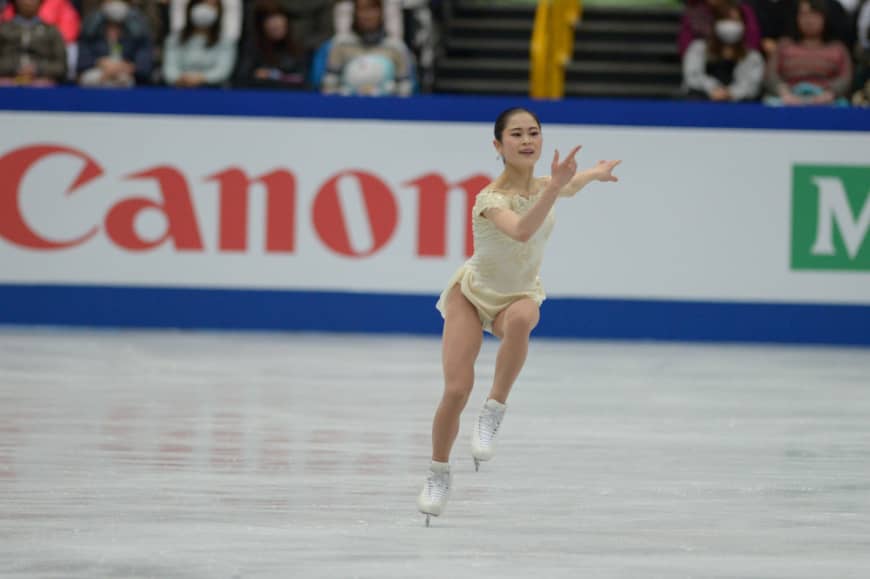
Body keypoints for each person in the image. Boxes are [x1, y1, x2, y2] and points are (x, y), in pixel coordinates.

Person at [416, 108, 622, 526]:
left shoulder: (550, 185)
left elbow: (572, 185)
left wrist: (596, 173)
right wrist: (558, 187)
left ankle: (494, 407)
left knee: (523, 317)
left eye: (534, 133)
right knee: (456, 391)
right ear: (498, 145)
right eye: (516, 134)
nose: (527, 140)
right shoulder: (489, 199)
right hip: (472, 296)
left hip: (519, 295)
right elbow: (523, 230)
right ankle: (438, 471)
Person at [764, 0, 853, 105]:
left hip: (828, 100)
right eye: (804, 15)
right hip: (788, 99)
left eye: (814, 14)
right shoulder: (784, 45)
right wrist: (783, 92)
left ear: (825, 17)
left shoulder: (838, 48)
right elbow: (770, 75)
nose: (809, 20)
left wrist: (830, 93)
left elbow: (846, 78)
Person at [321, 0, 413, 96]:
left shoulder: (396, 48)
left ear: (381, 12)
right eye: (362, 10)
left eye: (372, 9)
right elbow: (329, 89)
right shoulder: (340, 45)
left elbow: (405, 92)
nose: (367, 16)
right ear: (355, 13)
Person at [683, 1, 765, 101]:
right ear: (716, 22)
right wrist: (713, 89)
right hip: (704, 102)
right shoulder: (698, 48)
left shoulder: (752, 56)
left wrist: (731, 93)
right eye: (726, 19)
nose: (730, 25)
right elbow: (693, 76)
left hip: (738, 106)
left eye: (735, 20)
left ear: (743, 25)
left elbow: (752, 85)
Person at [161, 0, 235, 88]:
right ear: (191, 7)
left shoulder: (225, 40)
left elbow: (223, 71)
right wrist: (181, 79)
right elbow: (169, 70)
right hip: (179, 89)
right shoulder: (174, 39)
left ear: (219, 11)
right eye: (201, 4)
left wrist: (201, 78)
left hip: (213, 91)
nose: (204, 10)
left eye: (211, 6)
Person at [0, 0, 67, 85]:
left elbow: (61, 67)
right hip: (7, 80)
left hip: (42, 82)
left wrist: (38, 69)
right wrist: (15, 67)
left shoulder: (51, 31)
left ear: (40, 2)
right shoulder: (3, 30)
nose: (28, 2)